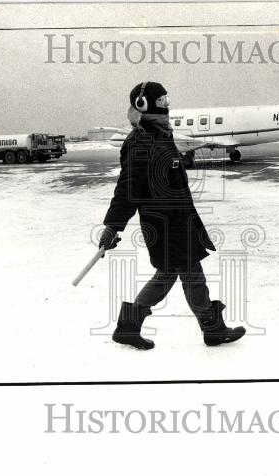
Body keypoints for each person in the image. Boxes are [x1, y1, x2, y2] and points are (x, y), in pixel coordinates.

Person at [99, 81, 246, 350]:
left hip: (178, 219)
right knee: (189, 273)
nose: (168, 104)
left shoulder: (159, 134)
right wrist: (113, 226)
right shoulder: (140, 141)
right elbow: (128, 187)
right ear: (145, 104)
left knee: (170, 274)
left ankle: (129, 327)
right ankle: (211, 329)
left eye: (168, 99)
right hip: (164, 224)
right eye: (163, 100)